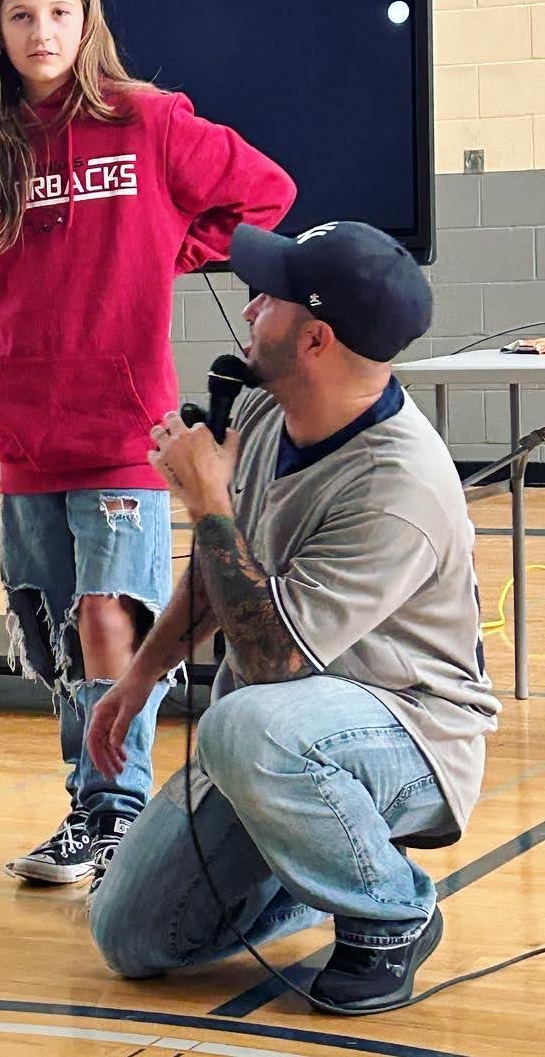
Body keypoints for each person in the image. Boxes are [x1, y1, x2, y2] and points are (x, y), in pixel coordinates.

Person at [0, 0, 295, 890]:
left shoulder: (148, 120)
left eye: (58, 11)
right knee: (54, 630)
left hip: (126, 431)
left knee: (107, 618)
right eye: (20, 15)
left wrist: (168, 242)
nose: (41, 30)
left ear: (87, 19)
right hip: (27, 431)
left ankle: (113, 812)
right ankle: (90, 802)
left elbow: (266, 193)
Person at [87, 220, 500, 1015]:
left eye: (267, 297)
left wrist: (207, 501)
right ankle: (318, 859)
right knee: (132, 935)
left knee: (244, 723)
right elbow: (226, 570)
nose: (248, 309)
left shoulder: (398, 484)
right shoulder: (272, 414)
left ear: (314, 339)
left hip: (410, 735)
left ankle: (392, 914)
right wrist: (139, 677)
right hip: (287, 736)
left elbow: (277, 664)